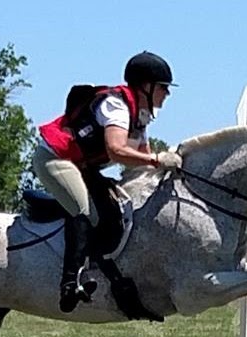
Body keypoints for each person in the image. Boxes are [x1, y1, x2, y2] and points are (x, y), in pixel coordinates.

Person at [35, 51, 183, 313]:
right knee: (83, 209)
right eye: (163, 88)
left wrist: (166, 170)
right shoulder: (116, 106)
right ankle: (70, 283)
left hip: (82, 165)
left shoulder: (141, 115)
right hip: (55, 158)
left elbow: (139, 159)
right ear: (145, 86)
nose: (167, 94)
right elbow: (117, 150)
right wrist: (157, 160)